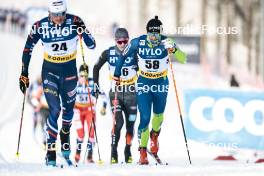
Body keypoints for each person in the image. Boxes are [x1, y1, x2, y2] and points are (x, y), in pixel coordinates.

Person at [19, 0, 96, 166]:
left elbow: (92, 45)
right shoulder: (40, 26)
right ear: (49, 13)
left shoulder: (74, 20)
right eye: (55, 15)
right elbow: (27, 49)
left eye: (62, 14)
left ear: (66, 12)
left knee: (68, 112)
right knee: (55, 109)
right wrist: (24, 72)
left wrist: (82, 30)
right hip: (50, 72)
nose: (59, 18)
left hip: (69, 73)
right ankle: (51, 151)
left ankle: (66, 133)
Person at [113, 16, 187, 165]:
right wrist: (117, 74)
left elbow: (183, 58)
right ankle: (142, 151)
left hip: (161, 83)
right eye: (151, 34)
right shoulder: (137, 42)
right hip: (144, 83)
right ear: (147, 33)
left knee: (158, 117)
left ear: (160, 33)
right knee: (145, 117)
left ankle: (154, 136)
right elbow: (122, 56)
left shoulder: (166, 42)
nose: (154, 37)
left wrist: (173, 49)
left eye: (157, 34)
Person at [93, 28, 138, 164]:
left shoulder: (135, 53)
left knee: (130, 124)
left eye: (125, 41)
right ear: (115, 41)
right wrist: (95, 84)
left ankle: (127, 150)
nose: (123, 44)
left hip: (131, 93)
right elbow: (96, 67)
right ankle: (113, 150)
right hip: (115, 93)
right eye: (119, 41)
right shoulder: (108, 53)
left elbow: (144, 69)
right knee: (119, 123)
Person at [74, 64, 107, 164]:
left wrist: (103, 107)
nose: (83, 78)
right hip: (78, 110)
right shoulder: (74, 83)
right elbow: (67, 96)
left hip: (89, 109)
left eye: (85, 75)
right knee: (80, 134)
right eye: (81, 75)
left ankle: (89, 156)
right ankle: (77, 154)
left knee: (91, 133)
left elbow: (104, 95)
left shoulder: (92, 82)